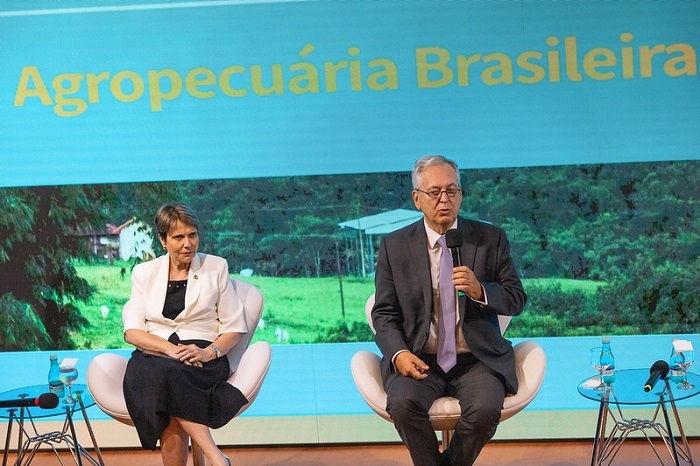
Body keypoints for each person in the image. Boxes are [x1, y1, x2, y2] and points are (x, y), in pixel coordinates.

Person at [372, 155, 527, 466]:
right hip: (419, 356)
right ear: (417, 199)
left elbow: (516, 298)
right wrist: (399, 354)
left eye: (452, 191)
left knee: (484, 410)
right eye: (434, 192)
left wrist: (481, 290)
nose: (444, 199)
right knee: (402, 405)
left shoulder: (490, 239)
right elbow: (384, 314)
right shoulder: (394, 246)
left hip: (477, 358)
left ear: (461, 195)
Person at [122, 203, 248, 466]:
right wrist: (169, 350)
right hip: (155, 354)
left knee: (165, 383)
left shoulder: (216, 267)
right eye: (178, 237)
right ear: (162, 240)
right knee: (162, 376)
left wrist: (209, 351)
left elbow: (234, 327)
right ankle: (215, 456)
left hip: (200, 357)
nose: (188, 243)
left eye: (192, 235)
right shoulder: (144, 273)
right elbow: (132, 332)